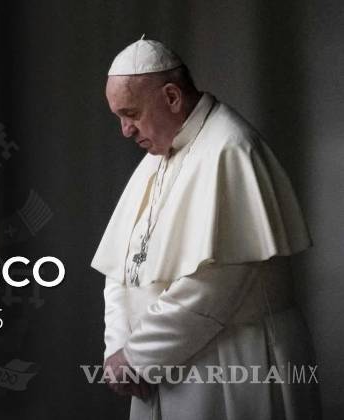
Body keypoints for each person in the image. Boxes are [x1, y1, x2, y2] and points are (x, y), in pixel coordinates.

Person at [91, 37, 320, 420]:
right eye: (119, 117)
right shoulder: (159, 152)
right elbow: (122, 266)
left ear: (171, 97)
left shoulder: (231, 148)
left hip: (232, 364)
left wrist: (136, 356)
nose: (125, 130)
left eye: (131, 114)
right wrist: (118, 346)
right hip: (155, 367)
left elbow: (216, 285)